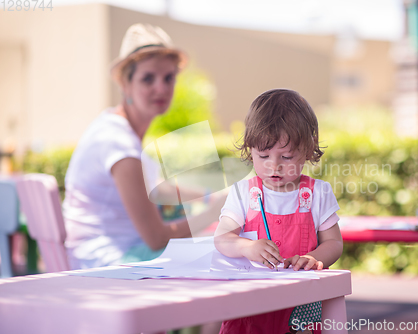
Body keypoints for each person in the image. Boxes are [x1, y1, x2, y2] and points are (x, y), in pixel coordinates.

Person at [63, 23, 225, 270]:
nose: (161, 88)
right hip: (108, 264)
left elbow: (161, 190)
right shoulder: (117, 142)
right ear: (125, 85)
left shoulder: (117, 130)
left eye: (169, 78)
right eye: (148, 78)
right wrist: (216, 211)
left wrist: (213, 197)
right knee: (226, 253)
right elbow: (156, 238)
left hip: (110, 256)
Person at [214, 89, 343, 334]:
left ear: (307, 150)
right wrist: (247, 247)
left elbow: (334, 242)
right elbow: (222, 238)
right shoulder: (243, 193)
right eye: (263, 155)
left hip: (300, 307)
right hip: (249, 310)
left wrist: (316, 258)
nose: (274, 165)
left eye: (286, 156)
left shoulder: (318, 193)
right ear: (250, 150)